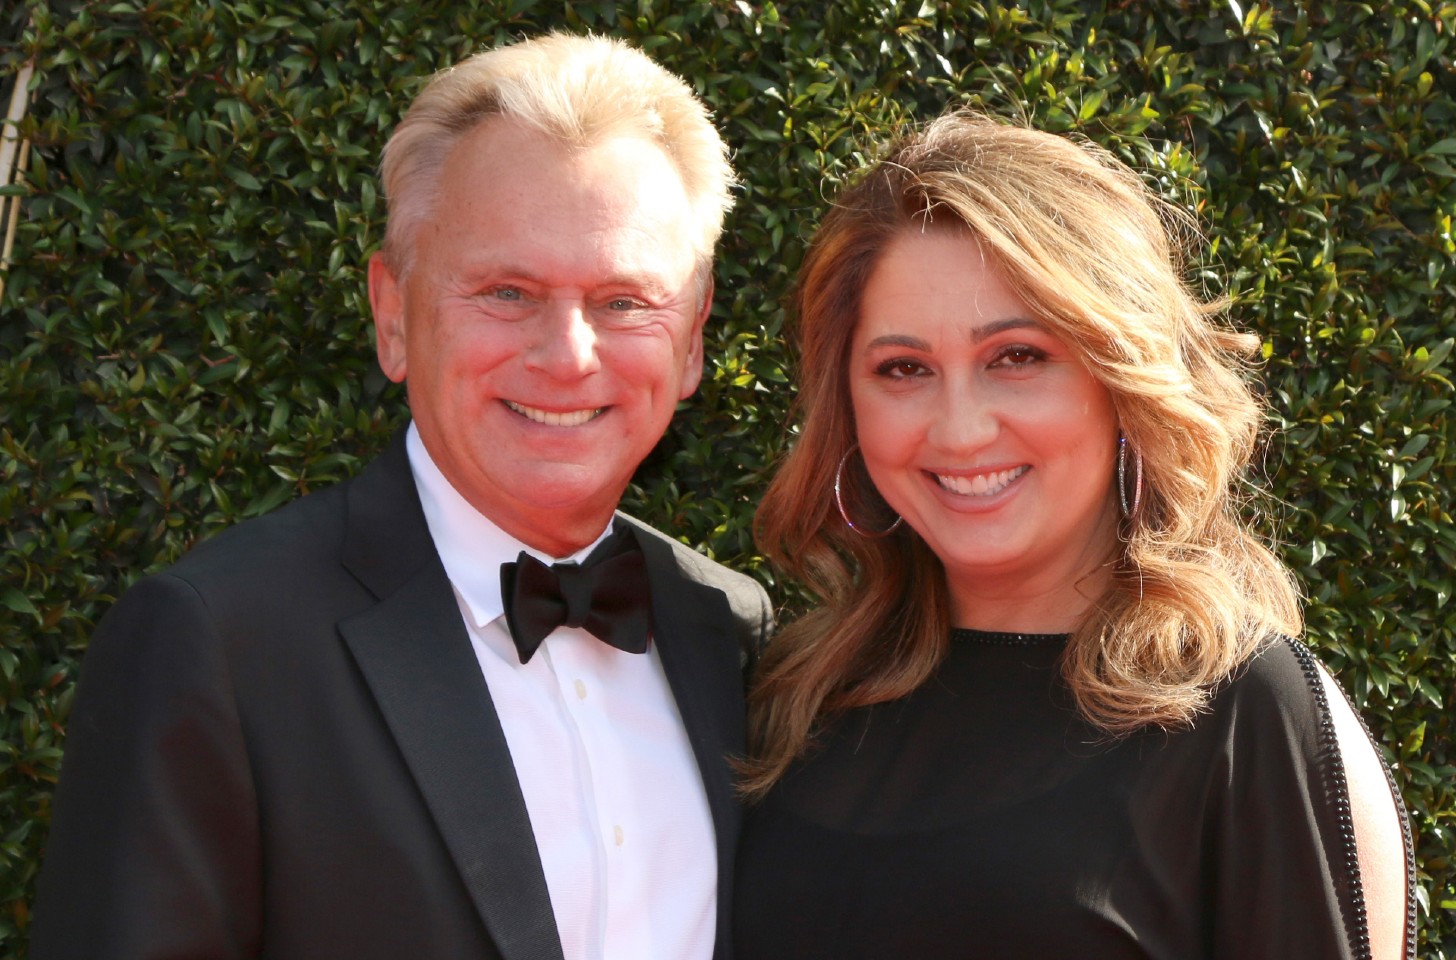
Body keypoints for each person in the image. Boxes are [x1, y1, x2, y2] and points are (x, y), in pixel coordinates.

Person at [30, 33, 772, 960]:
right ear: (393, 315)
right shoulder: (219, 644)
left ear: (694, 338)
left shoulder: (731, 632)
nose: (570, 353)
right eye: (506, 291)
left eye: (626, 300)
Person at [734, 110, 1414, 960]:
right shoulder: (795, 699)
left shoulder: (1245, 716)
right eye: (903, 369)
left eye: (1016, 357)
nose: (961, 430)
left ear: (1120, 380)